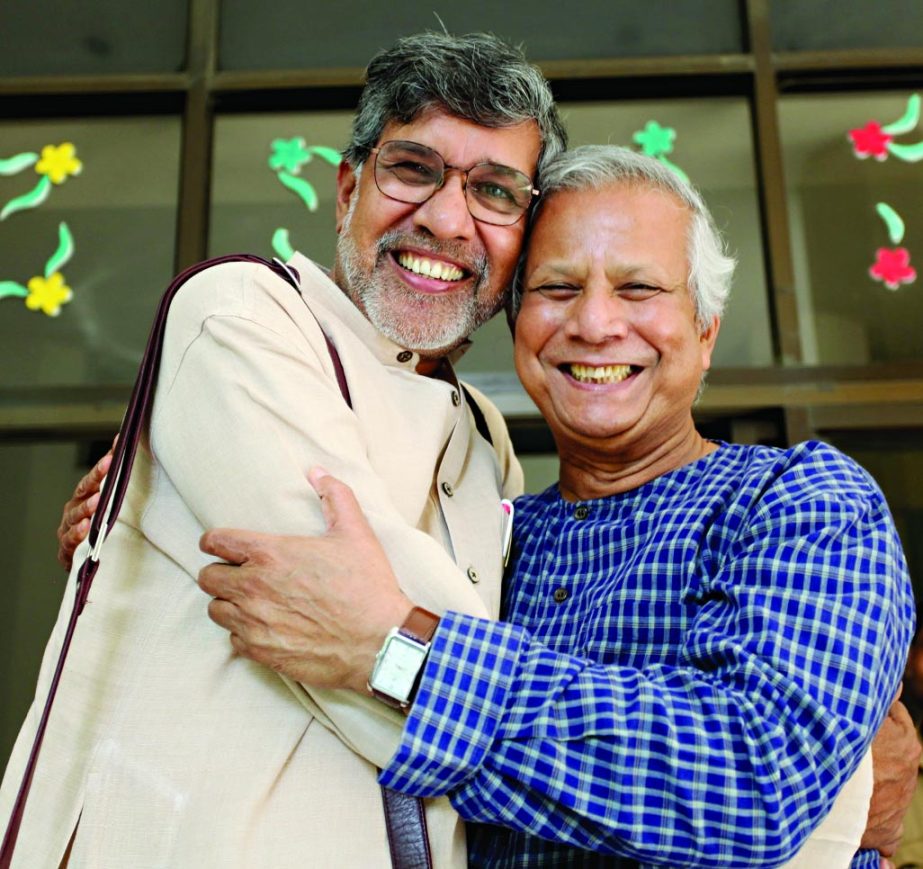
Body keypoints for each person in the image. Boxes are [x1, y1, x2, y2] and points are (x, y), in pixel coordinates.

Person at [193, 146, 916, 867]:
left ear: (704, 331)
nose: (595, 324)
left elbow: (752, 782)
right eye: (556, 288)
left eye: (637, 289)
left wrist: (398, 653)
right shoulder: (483, 534)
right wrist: (158, 477)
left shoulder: (802, 501)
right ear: (518, 326)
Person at [0, 31, 566, 868]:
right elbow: (397, 649)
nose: (447, 220)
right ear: (346, 190)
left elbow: (420, 647)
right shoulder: (239, 313)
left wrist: (402, 643)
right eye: (412, 169)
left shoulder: (483, 432)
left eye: (493, 191)